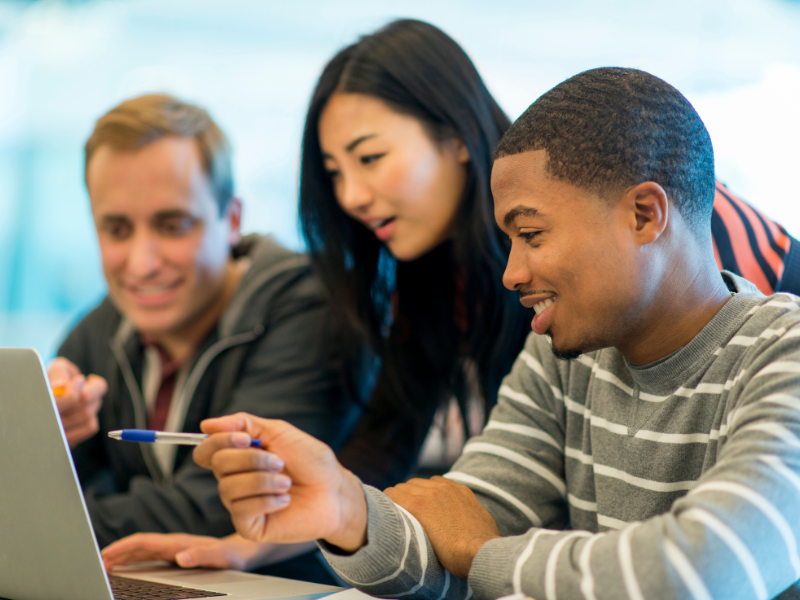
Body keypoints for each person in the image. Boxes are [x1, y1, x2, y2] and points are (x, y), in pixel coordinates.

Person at [102, 20, 800, 578]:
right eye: (335, 171)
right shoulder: (550, 339)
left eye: (370, 158)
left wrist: (481, 551)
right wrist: (339, 511)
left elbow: (701, 565)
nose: (350, 196)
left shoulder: (736, 310)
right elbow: (462, 505)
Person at [50, 94, 361, 571]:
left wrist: (45, 514)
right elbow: (52, 491)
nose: (142, 264)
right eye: (116, 230)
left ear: (232, 220)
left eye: (173, 226)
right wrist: (46, 445)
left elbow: (218, 509)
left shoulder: (310, 307)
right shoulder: (100, 328)